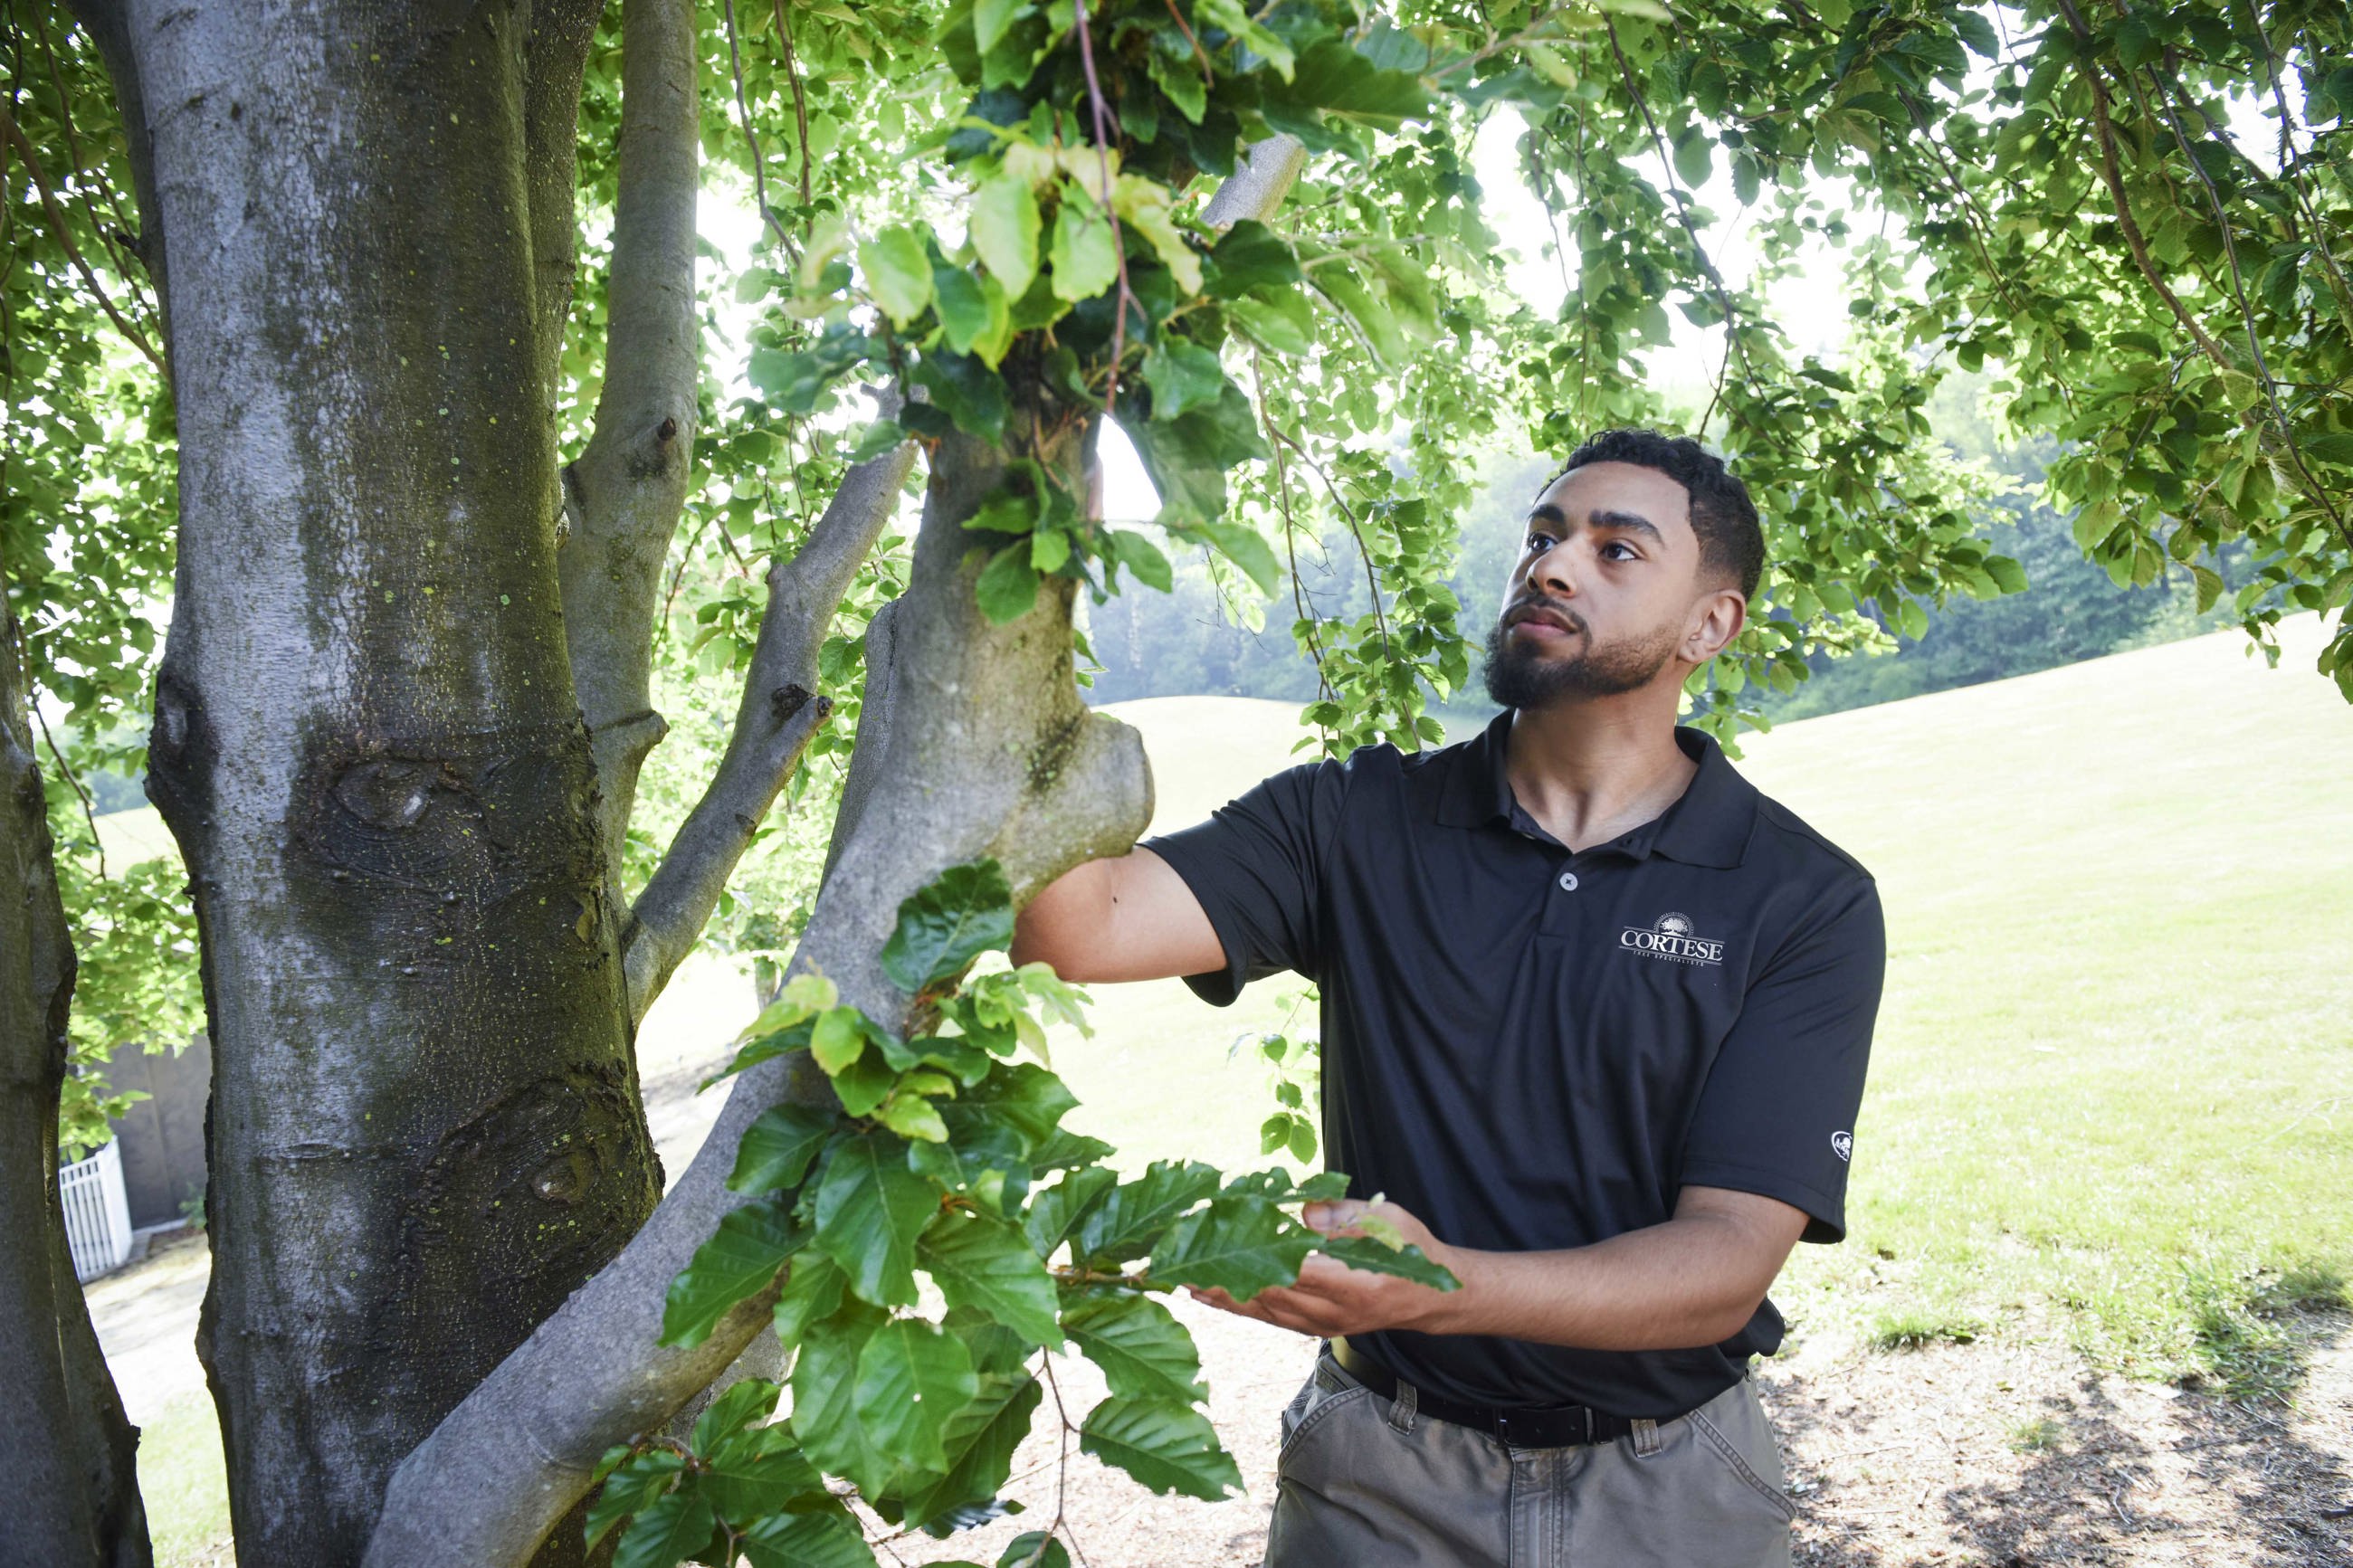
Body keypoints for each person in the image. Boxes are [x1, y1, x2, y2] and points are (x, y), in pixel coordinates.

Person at [1011, 429, 1885, 1567]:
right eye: (1543, 534)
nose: (1553, 565)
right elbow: (1073, 927)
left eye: (1617, 549)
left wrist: (1435, 1288)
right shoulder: (1351, 819)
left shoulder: (1801, 898)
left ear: (1707, 625)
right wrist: (1025, 581)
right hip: (1380, 1477)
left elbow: (1721, 1263)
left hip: (1671, 1489)